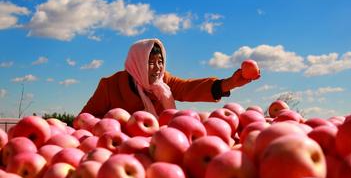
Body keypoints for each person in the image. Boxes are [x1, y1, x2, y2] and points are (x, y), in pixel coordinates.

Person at [80, 38, 259, 118]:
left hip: (160, 148)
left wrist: (230, 83)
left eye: (160, 62)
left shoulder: (163, 82)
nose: (157, 68)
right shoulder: (110, 86)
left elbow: (189, 88)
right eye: (150, 62)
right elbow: (85, 120)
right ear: (137, 63)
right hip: (117, 155)